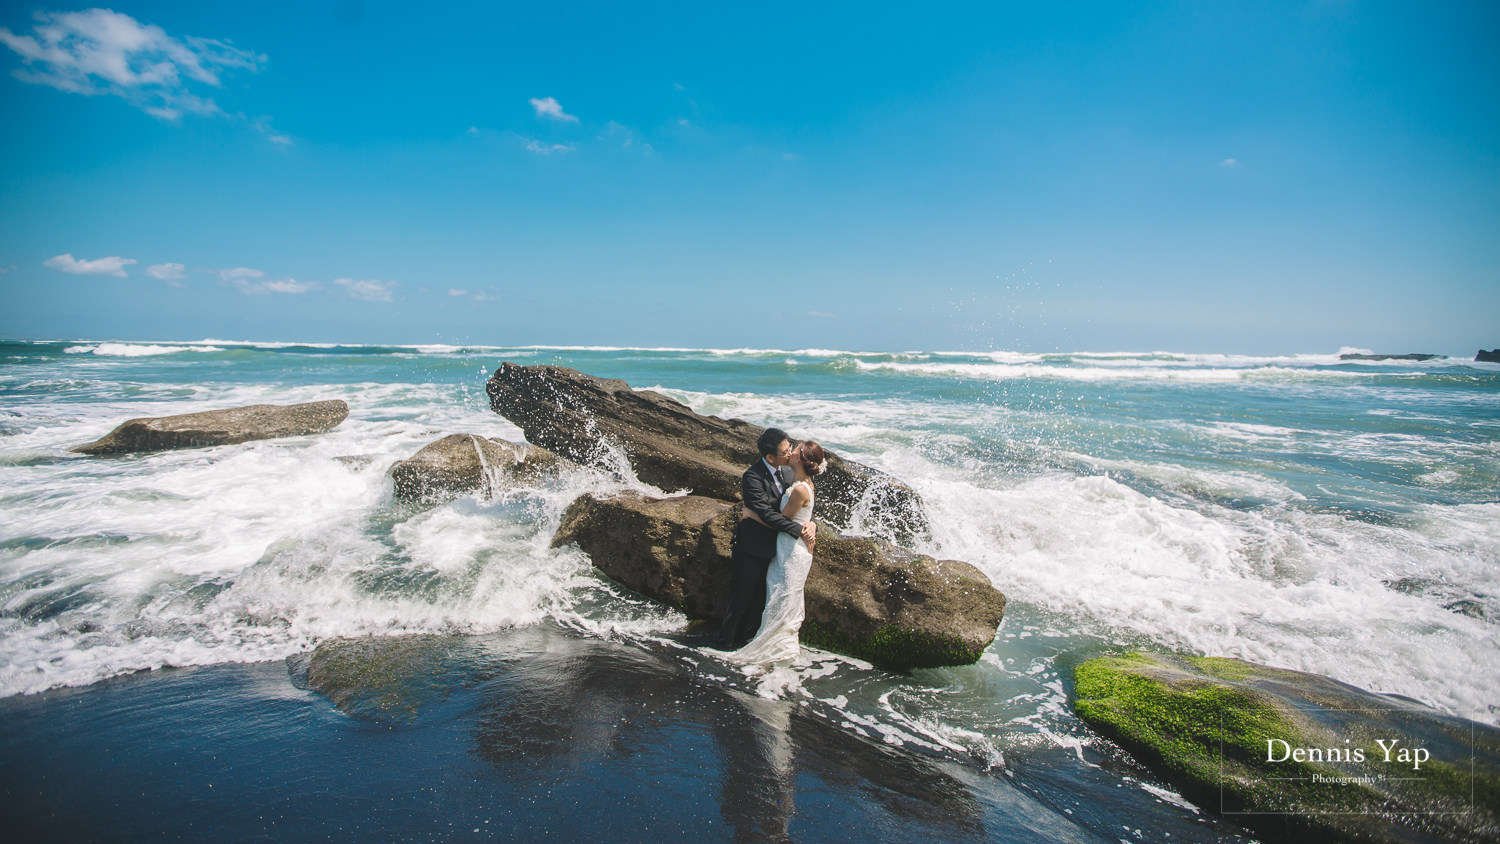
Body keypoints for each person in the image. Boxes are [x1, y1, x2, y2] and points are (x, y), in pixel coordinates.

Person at [728, 440, 826, 667]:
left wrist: (752, 515)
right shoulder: (801, 482)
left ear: (801, 459)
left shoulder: (799, 488)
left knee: (783, 597)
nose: (790, 452)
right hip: (787, 547)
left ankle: (776, 649)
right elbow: (800, 516)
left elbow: (782, 521)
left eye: (795, 449)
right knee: (780, 596)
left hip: (791, 550)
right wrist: (809, 525)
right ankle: (775, 645)